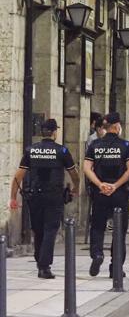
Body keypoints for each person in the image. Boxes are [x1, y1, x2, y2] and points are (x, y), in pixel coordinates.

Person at [9, 119, 79, 279]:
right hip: (54, 196)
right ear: (55, 132)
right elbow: (73, 173)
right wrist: (75, 188)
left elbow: (18, 175)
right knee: (50, 230)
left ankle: (39, 259)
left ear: (42, 132)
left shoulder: (31, 150)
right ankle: (44, 266)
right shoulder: (61, 151)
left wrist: (13, 197)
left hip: (35, 196)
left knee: (38, 229)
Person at [83, 112, 129, 277]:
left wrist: (100, 184)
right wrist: (115, 185)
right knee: (119, 231)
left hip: (100, 193)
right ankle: (116, 268)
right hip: (119, 192)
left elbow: (86, 168)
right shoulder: (126, 146)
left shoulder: (95, 145)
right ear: (117, 126)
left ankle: (97, 254)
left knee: (98, 227)